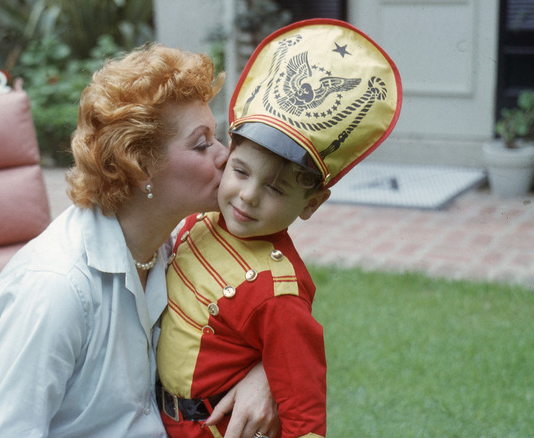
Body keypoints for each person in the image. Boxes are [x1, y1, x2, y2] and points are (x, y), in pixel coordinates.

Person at [0, 43, 277, 437]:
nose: (225, 156)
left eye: (217, 138)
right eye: (202, 143)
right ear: (139, 165)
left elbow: (267, 319)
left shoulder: (177, 248)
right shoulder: (55, 290)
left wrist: (265, 373)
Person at [156, 19, 402, 438]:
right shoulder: (197, 221)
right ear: (226, 154)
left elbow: (304, 413)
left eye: (274, 189)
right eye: (240, 171)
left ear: (311, 204)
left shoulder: (278, 292)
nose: (248, 196)